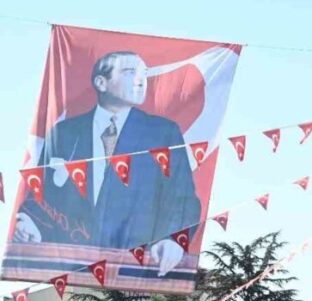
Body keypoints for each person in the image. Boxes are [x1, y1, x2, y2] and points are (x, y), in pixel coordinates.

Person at [14, 51, 200, 262]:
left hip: (136, 264)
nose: (141, 80)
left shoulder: (163, 133)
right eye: (130, 72)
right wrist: (29, 222)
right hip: (67, 262)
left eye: (144, 73)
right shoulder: (65, 133)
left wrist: (173, 239)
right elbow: (41, 193)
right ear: (101, 82)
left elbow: (182, 197)